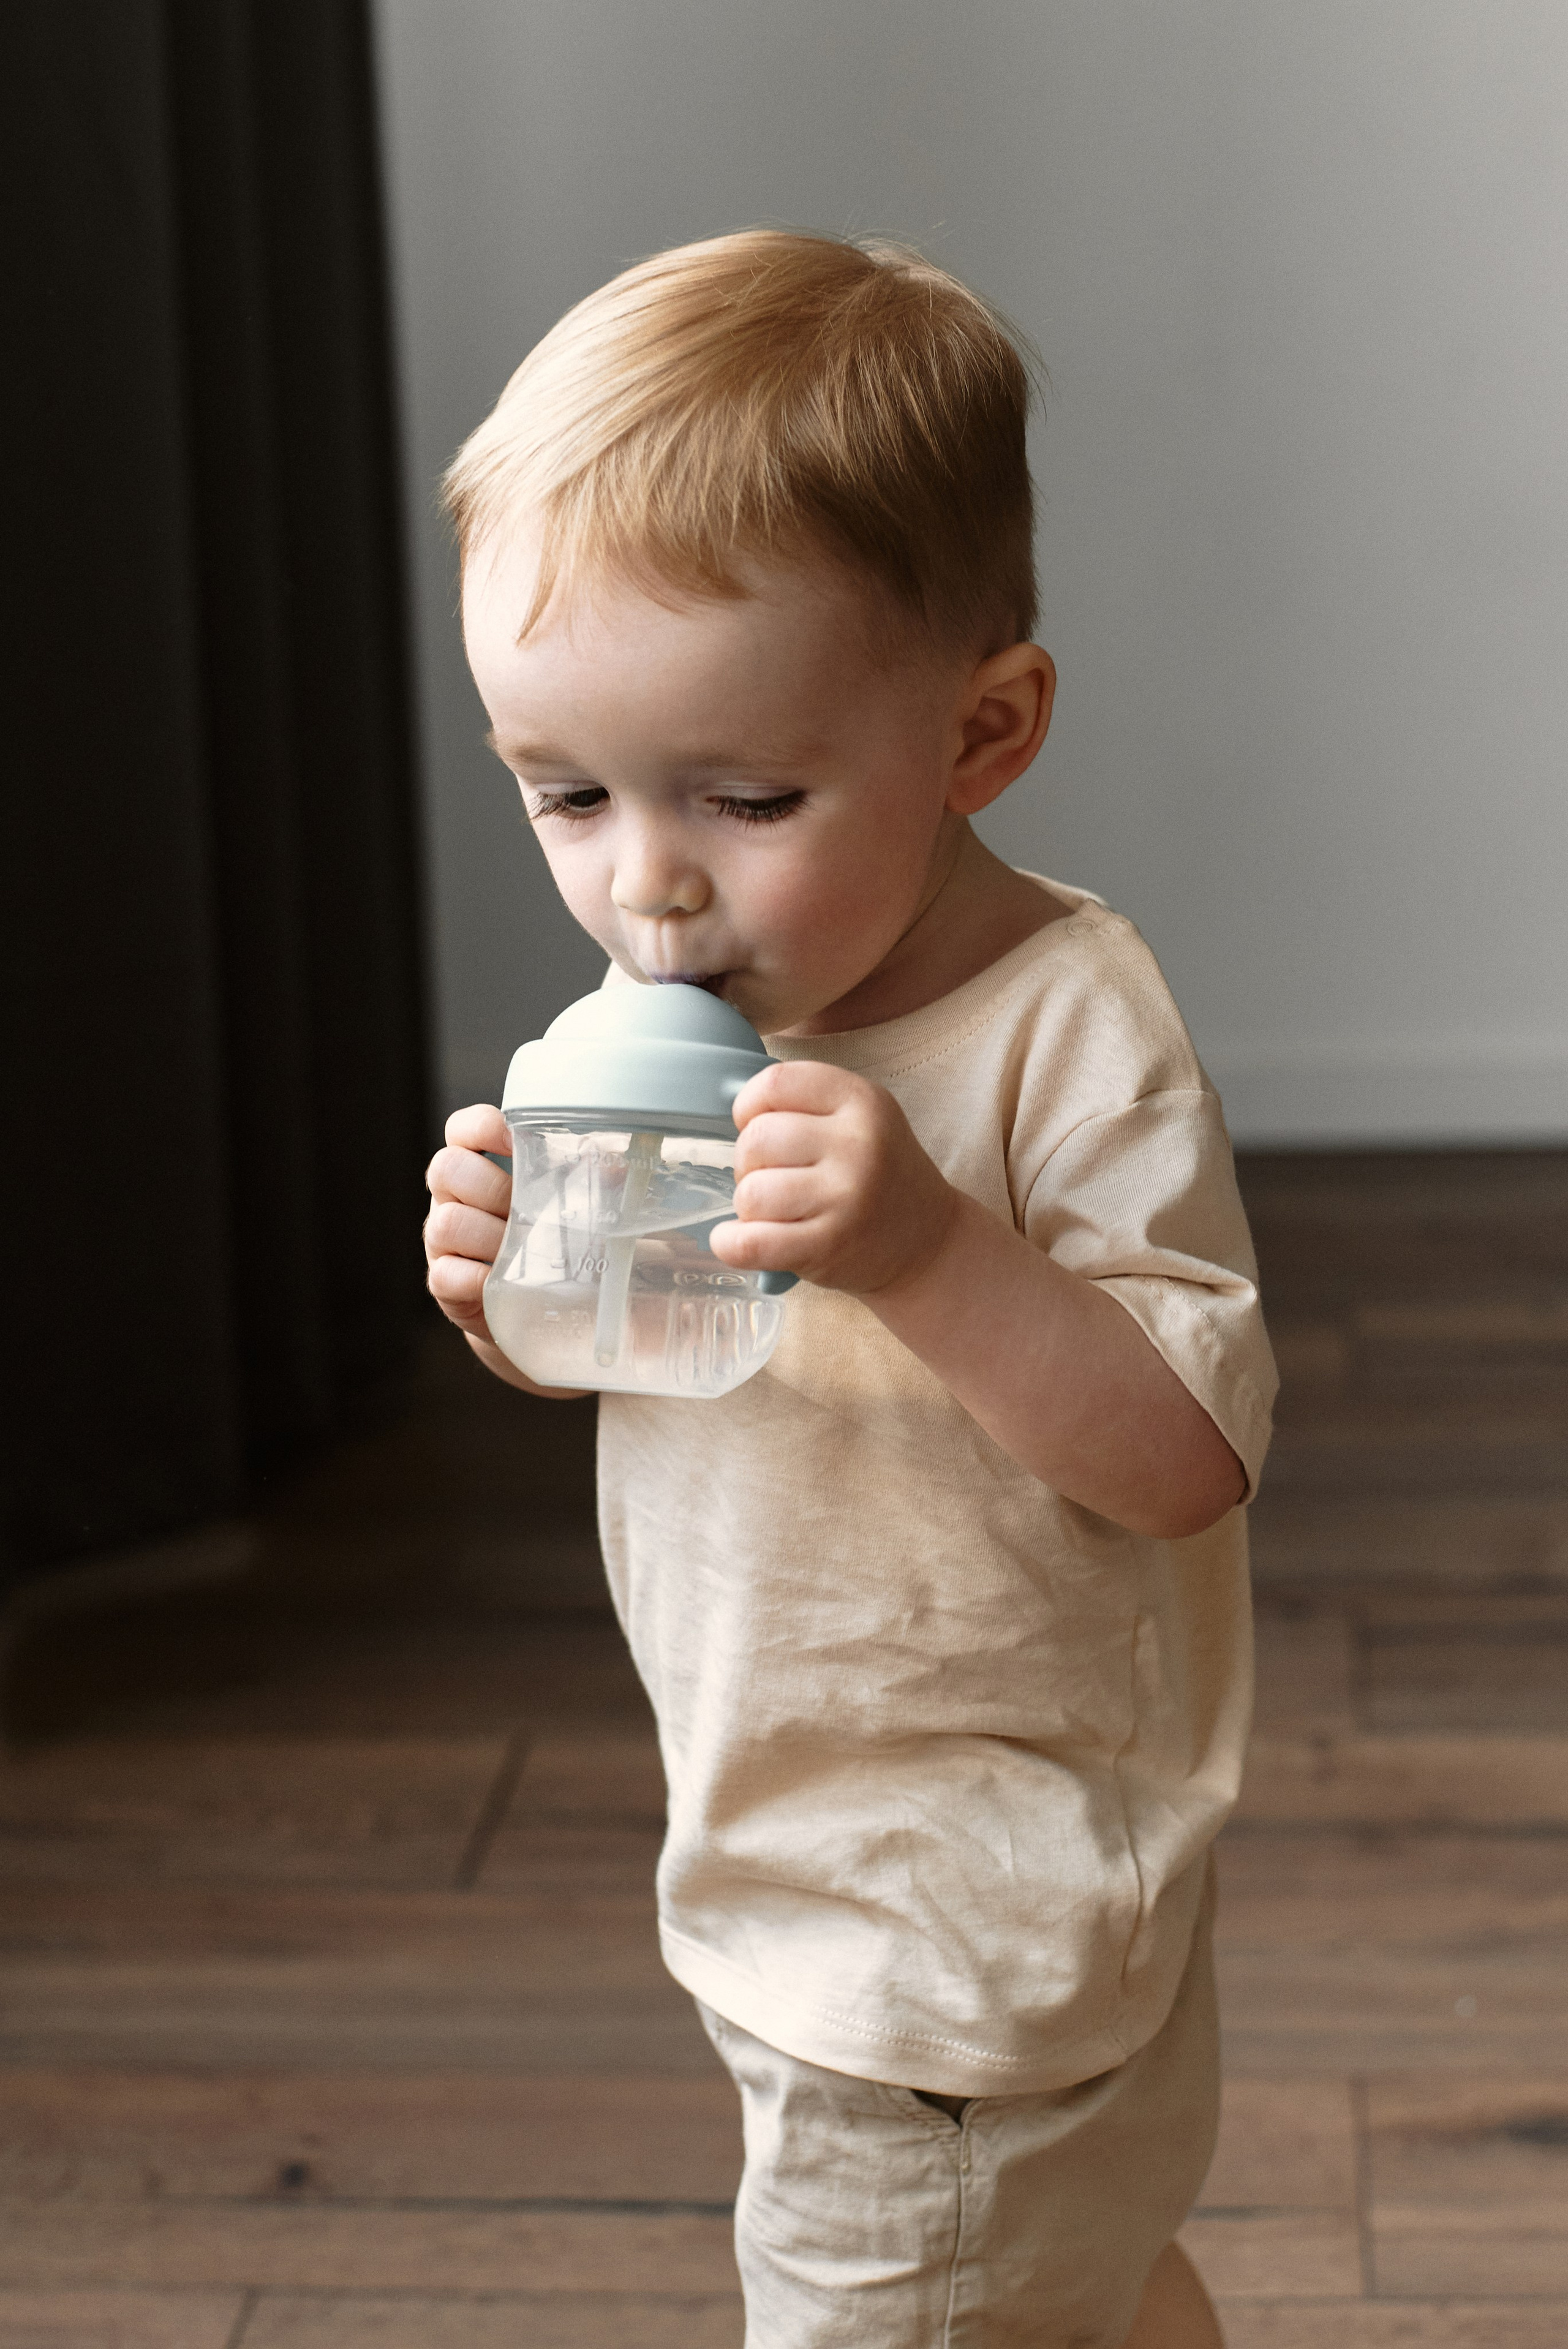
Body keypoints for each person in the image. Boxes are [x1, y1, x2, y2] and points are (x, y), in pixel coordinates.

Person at [424, 230, 1276, 2347]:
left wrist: (923, 1247)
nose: (650, 883)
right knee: (1067, 2281)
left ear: (984, 732)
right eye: (566, 794)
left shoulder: (1065, 1026)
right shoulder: (675, 994)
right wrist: (505, 1285)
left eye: (746, 794)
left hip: (951, 1937)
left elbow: (1185, 1454)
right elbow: (646, 1340)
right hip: (796, 1857)